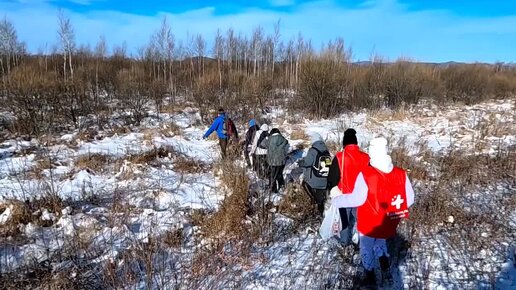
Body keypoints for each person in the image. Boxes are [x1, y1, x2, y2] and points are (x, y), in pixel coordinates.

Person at [330, 137, 415, 287]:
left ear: (373, 152)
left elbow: (356, 199)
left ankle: (369, 276)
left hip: (368, 222)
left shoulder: (366, 174)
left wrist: (337, 200)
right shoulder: (401, 173)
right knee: (381, 243)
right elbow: (410, 199)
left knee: (366, 249)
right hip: (388, 221)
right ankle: (385, 269)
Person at [327, 128, 370, 246]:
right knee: (361, 222)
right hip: (361, 197)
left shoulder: (340, 157)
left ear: (344, 142)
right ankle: (362, 243)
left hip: (344, 196)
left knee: (344, 221)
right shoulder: (366, 157)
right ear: (356, 142)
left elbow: (332, 177)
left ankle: (344, 242)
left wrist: (332, 188)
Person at [298, 133, 331, 216]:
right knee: (320, 199)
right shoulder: (326, 151)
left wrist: (300, 162)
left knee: (304, 185)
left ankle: (313, 210)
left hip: (314, 180)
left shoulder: (312, 150)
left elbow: (307, 163)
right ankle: (320, 212)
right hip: (324, 179)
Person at [263, 128, 289, 193]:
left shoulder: (270, 139)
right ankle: (282, 186)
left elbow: (265, 145)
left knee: (273, 176)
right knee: (280, 174)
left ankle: (273, 190)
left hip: (273, 161)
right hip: (282, 161)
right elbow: (286, 147)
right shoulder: (282, 138)